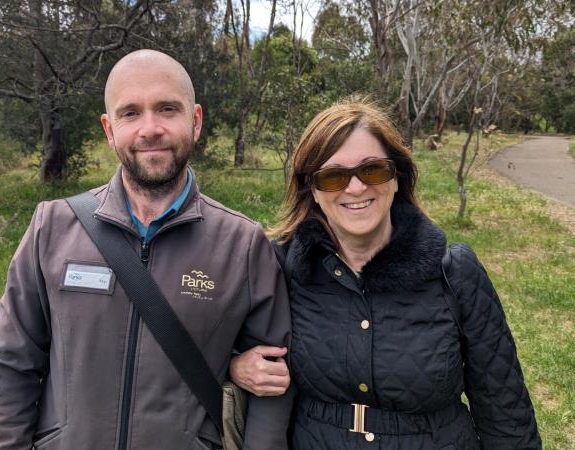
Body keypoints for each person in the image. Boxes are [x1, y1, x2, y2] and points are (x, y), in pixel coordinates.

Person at [0, 49, 292, 450]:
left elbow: (271, 382)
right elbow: (12, 362)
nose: (150, 129)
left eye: (167, 109)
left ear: (195, 121)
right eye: (131, 113)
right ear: (109, 130)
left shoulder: (243, 244)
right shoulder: (52, 227)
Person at [230, 96, 541, 449]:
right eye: (333, 177)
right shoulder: (281, 267)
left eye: (373, 169)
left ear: (396, 177)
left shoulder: (455, 272)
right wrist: (235, 366)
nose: (357, 187)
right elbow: (205, 345)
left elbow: (505, 412)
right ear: (312, 190)